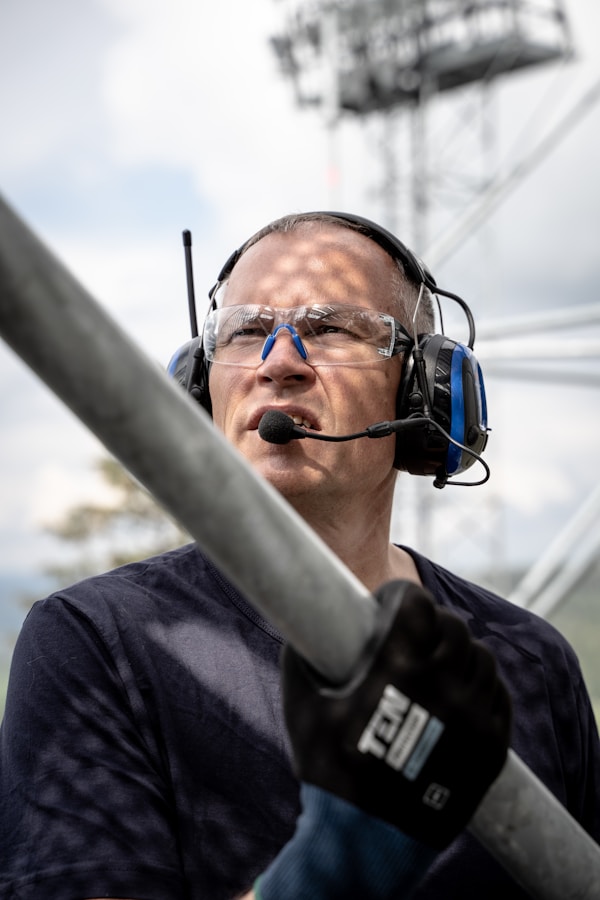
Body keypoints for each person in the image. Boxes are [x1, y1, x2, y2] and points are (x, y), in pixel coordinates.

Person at [0, 211, 598, 899]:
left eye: (330, 327)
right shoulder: (96, 642)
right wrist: (332, 869)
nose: (277, 362)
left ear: (427, 391)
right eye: (246, 331)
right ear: (200, 386)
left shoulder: (533, 660)